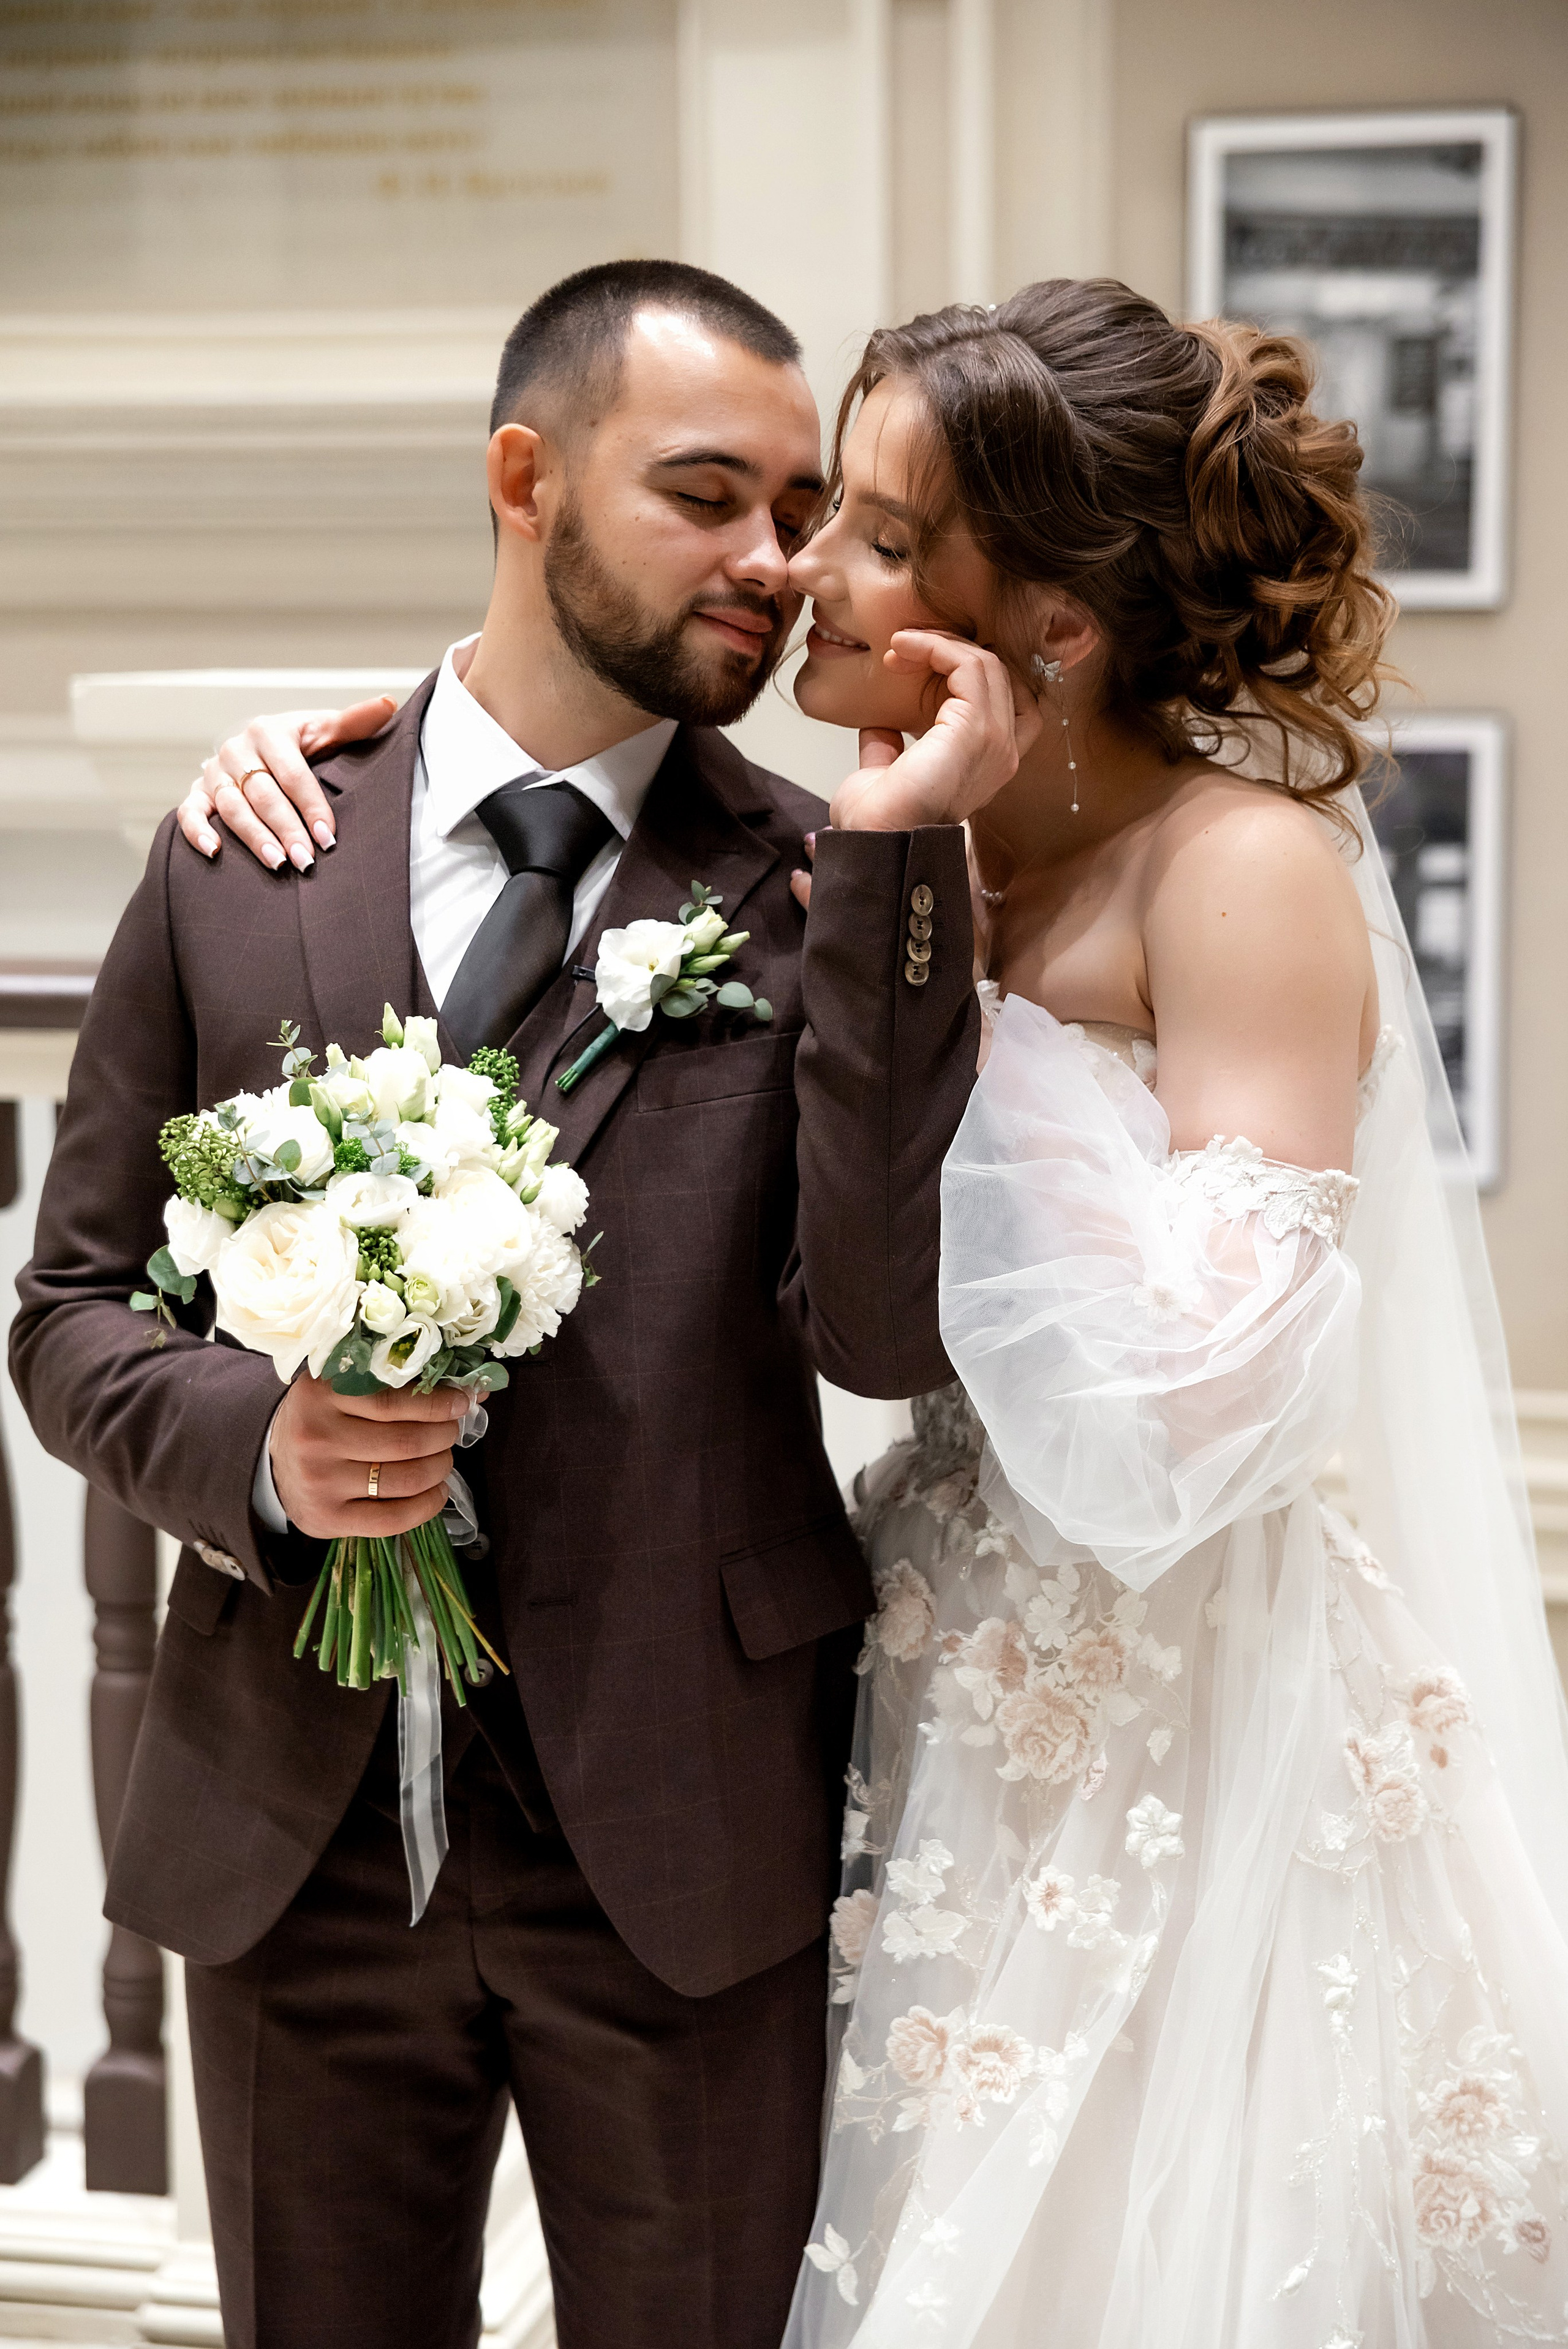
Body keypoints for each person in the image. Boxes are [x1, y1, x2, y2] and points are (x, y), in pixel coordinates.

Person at [210, 276, 1568, 2349]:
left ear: (1052, 626)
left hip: (1178, 1716)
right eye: (808, 509)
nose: (800, 571)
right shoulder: (857, 858)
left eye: (875, 531)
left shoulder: (1239, 870)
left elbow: (1198, 1420)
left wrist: (965, 1016)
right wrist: (352, 751)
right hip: (916, 1683)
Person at [9, 258, 1027, 2349]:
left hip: (687, 1823)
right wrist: (263, 1447)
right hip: (293, 1835)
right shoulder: (250, 853)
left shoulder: (822, 885)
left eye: (803, 510)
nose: (776, 563)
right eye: (708, 496)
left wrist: (902, 875)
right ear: (525, 478)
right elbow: (71, 1310)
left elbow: (884, 1334)